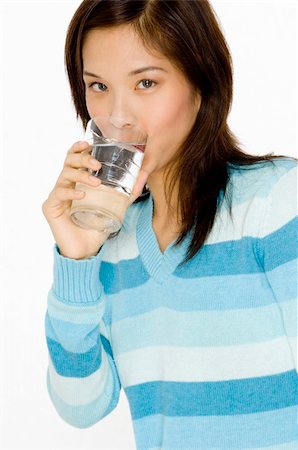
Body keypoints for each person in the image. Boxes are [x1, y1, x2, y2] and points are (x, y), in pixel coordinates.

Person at [42, 1, 297, 448]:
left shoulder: (275, 202)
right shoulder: (113, 244)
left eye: (145, 82)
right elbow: (81, 405)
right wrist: (76, 260)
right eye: (98, 86)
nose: (119, 116)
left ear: (200, 83)